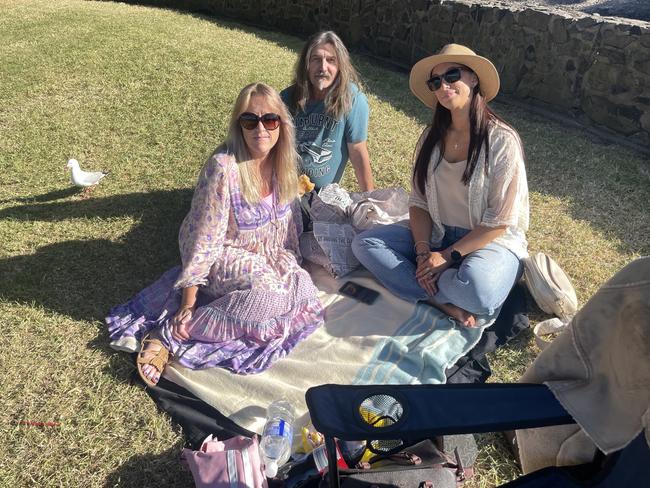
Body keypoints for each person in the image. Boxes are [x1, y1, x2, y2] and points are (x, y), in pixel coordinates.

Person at [106, 82, 325, 386]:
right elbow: (204, 240)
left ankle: (230, 311)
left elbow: (289, 224)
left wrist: (292, 263)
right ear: (239, 126)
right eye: (250, 120)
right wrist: (188, 301)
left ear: (282, 125)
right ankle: (169, 335)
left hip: (269, 253)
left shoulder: (284, 163)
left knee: (304, 295)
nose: (260, 129)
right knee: (269, 300)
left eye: (270, 120)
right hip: (225, 251)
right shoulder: (224, 168)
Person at [352, 44, 529, 327]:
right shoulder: (430, 139)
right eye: (435, 81)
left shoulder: (502, 140)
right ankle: (437, 299)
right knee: (365, 244)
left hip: (488, 242)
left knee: (479, 292)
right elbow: (419, 203)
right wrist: (424, 253)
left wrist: (446, 257)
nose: (443, 85)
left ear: (473, 79)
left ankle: (428, 281)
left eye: (452, 75)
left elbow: (500, 222)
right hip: (439, 234)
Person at [281, 31, 374, 193]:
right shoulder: (287, 98)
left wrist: (370, 200)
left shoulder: (353, 100)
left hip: (323, 196)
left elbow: (358, 150)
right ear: (306, 65)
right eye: (316, 59)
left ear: (340, 66)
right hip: (285, 186)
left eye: (331, 60)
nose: (323, 67)